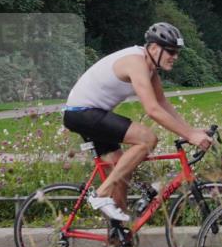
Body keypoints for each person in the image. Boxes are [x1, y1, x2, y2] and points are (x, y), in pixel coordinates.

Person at [62, 23, 213, 223]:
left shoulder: (151, 70)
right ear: (153, 48)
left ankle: (122, 239)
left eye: (177, 52)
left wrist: (190, 130)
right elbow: (152, 109)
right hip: (82, 113)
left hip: (93, 114)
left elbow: (162, 103)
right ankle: (101, 194)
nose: (175, 56)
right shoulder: (136, 63)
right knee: (147, 139)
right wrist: (190, 136)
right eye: (170, 51)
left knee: (121, 174)